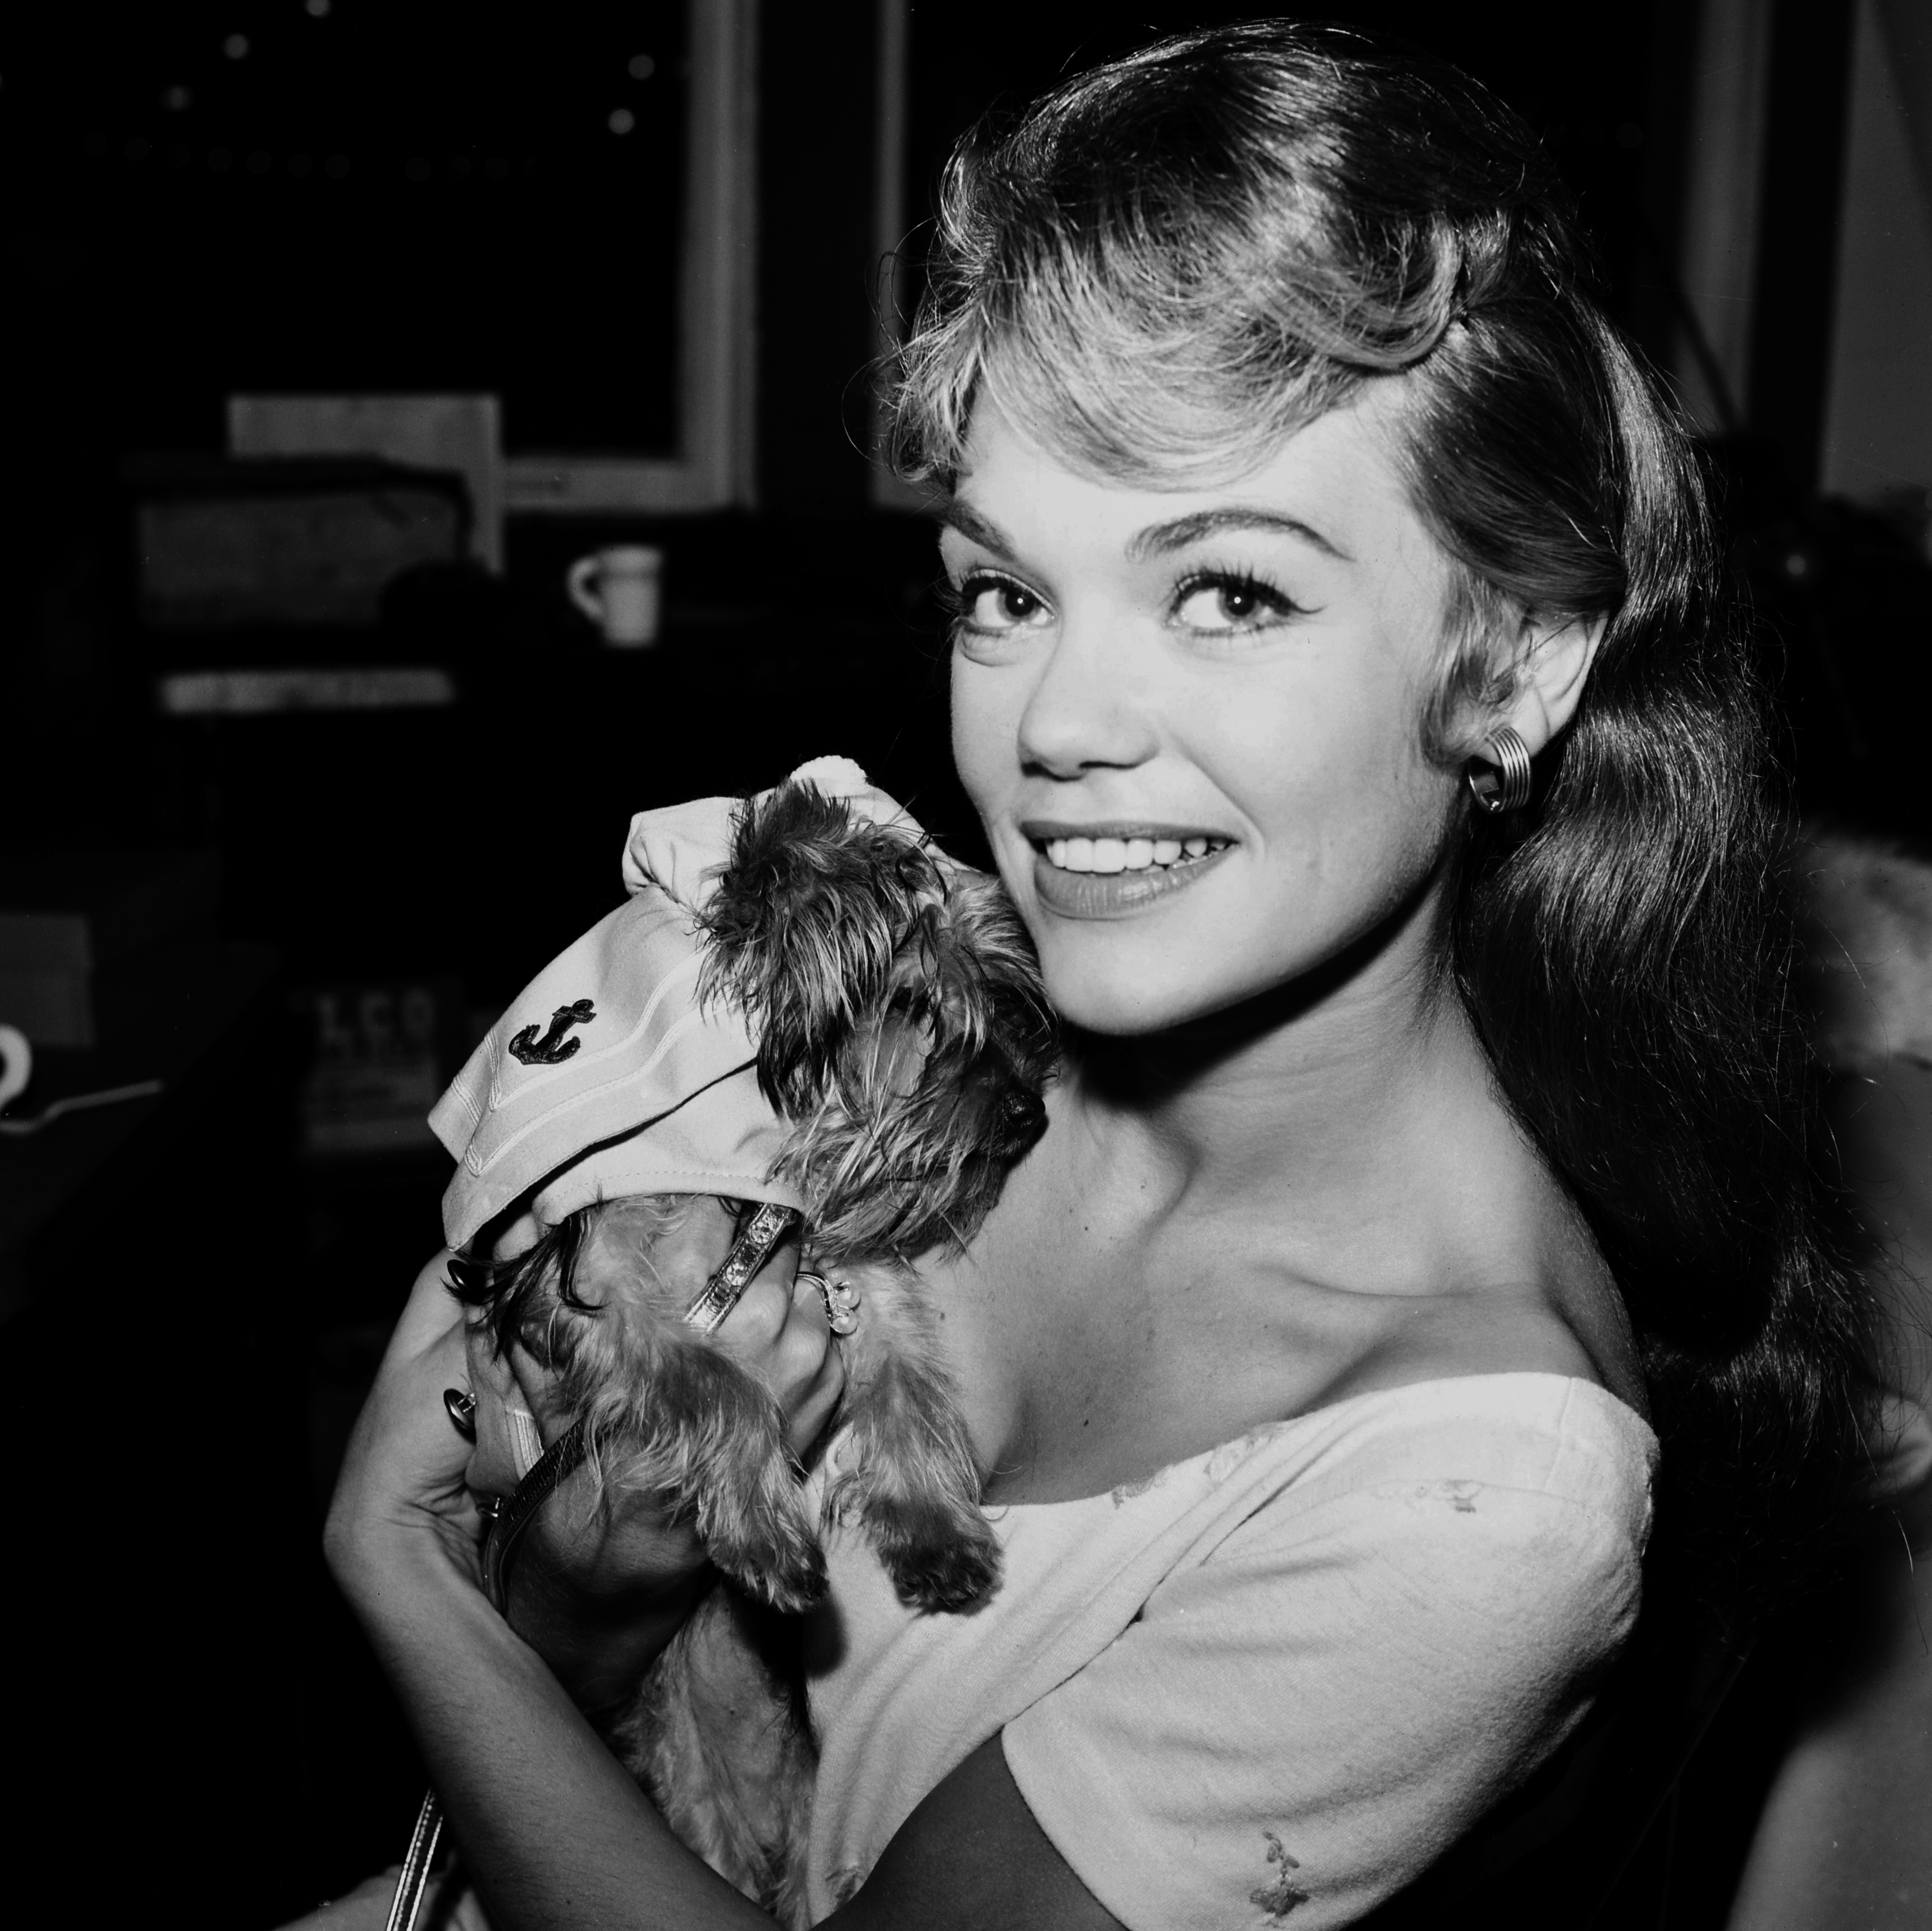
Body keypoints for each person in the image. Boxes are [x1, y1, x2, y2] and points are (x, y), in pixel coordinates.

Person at [313, 22, 1875, 1929]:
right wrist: (581, 1599)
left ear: (1518, 665)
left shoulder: (1483, 1501)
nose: (1058, 726)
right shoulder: (937, 1037)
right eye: (1009, 590)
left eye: (1230, 590)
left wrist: (409, 1582)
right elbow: (605, 1665)